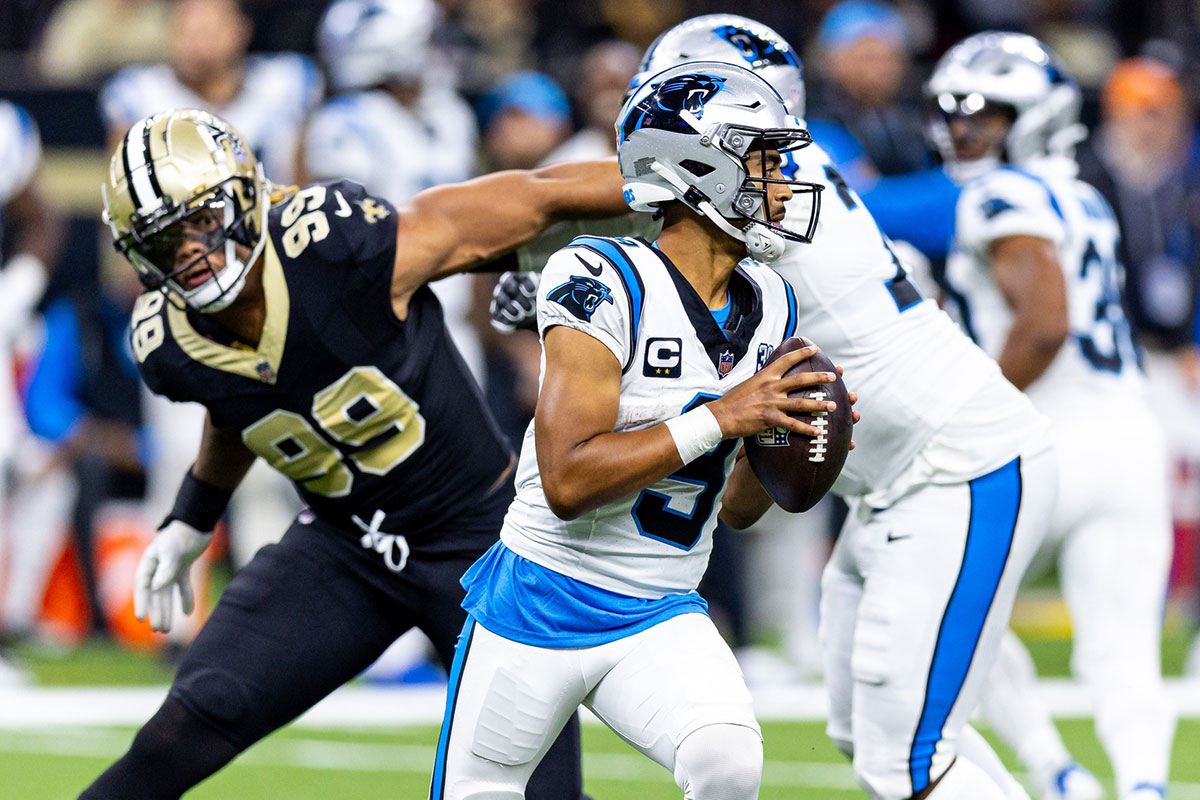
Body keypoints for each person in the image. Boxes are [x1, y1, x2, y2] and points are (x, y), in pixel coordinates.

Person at [493, 15, 1059, 800]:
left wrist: (492, 257)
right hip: (900, 480)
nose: (778, 169)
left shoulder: (744, 192)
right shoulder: (754, 192)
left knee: (912, 758)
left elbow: (551, 195)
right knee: (872, 737)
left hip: (954, 465)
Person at [78, 107, 630, 800]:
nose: (187, 250)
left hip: (482, 542)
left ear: (246, 195)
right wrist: (194, 514)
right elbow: (240, 401)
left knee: (532, 790)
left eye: (199, 220)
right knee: (184, 726)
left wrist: (677, 186)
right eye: (161, 241)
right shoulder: (165, 344)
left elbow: (536, 195)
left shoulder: (332, 245)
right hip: (344, 548)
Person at [433, 62, 847, 800]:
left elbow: (739, 509)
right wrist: (723, 415)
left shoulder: (775, 302)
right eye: (764, 160)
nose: (784, 181)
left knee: (727, 762)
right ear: (699, 166)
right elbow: (567, 482)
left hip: (661, 606)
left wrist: (796, 439)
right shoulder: (600, 274)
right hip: (539, 600)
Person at [932, 33, 1176, 800]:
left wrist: (968, 408)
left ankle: (1054, 770)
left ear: (1036, 115)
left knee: (937, 604)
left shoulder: (1000, 196)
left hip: (1040, 434)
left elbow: (1042, 325)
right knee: (1123, 650)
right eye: (952, 111)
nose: (962, 128)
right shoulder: (1089, 194)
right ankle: (1143, 786)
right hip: (1131, 434)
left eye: (984, 113)